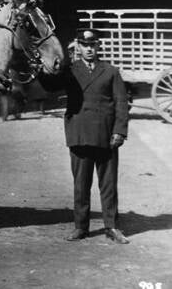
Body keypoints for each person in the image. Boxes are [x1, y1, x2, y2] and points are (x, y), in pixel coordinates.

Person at [41, 28, 130, 244]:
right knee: (81, 185)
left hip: (106, 135)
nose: (89, 49)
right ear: (78, 47)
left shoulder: (110, 71)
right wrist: (42, 69)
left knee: (108, 185)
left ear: (98, 46)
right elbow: (50, 86)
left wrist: (119, 131)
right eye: (85, 45)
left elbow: (121, 102)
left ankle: (112, 227)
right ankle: (80, 227)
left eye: (93, 45)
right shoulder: (69, 71)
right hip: (80, 134)